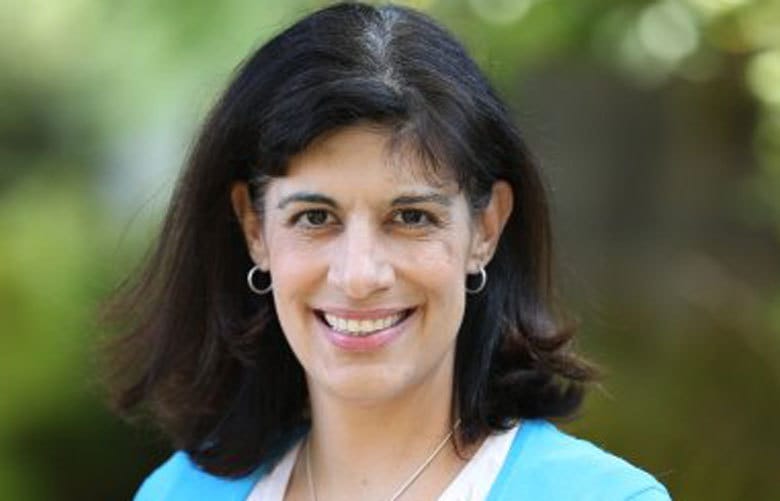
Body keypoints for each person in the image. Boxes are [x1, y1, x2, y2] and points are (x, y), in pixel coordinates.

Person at [102, 2, 671, 499]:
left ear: (485, 229)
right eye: (315, 217)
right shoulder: (177, 493)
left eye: (411, 217)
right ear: (255, 230)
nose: (359, 275)